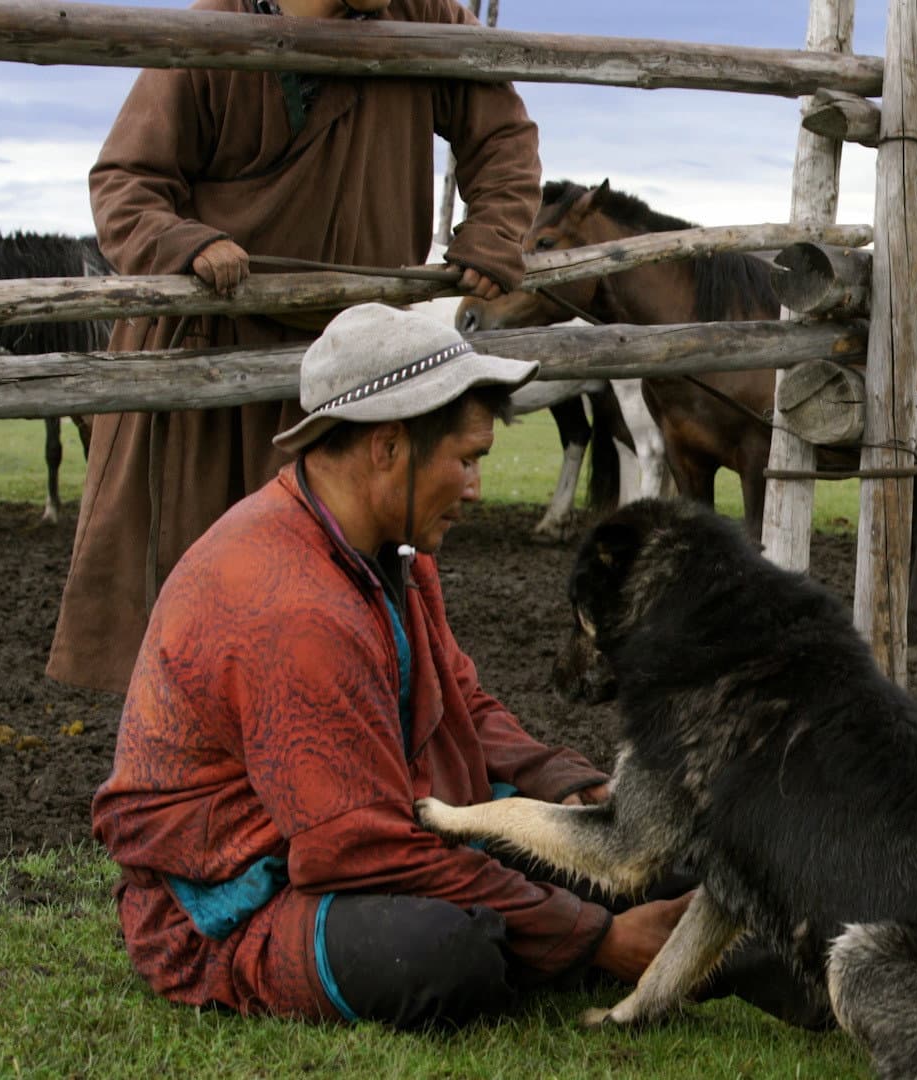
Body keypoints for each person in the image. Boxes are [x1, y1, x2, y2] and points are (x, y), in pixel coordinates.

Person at [91, 303, 691, 1027]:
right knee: (446, 952)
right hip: (236, 902)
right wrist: (598, 939)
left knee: (646, 862)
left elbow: (464, 707)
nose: (476, 488)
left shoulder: (394, 553)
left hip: (365, 833)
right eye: (466, 460)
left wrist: (575, 789)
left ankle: (782, 947)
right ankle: (614, 947)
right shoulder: (290, 605)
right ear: (387, 448)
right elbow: (362, 849)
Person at [49, 0, 540, 694]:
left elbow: (503, 138)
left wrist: (493, 231)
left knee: (348, 600)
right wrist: (186, 244)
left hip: (358, 363)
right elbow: (126, 184)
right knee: (207, 600)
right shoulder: (214, 26)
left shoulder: (423, 18)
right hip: (218, 356)